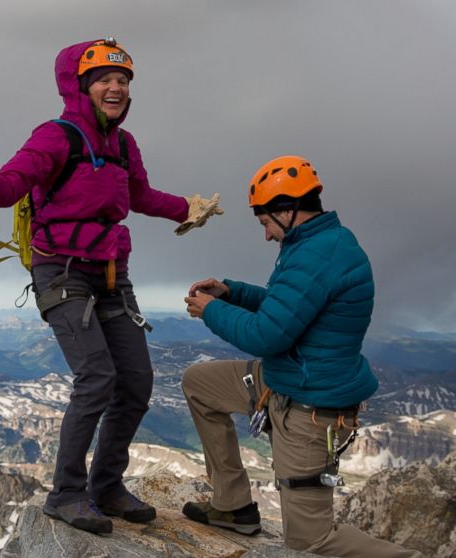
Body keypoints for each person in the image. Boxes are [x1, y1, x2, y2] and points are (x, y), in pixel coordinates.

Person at [0, 39, 221, 535]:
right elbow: (8, 188)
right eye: (104, 80)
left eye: (123, 80)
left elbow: (139, 196)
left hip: (112, 274)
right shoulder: (55, 136)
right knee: (97, 376)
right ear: (80, 86)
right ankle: (67, 494)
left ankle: (107, 486)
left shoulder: (123, 144)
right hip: (63, 272)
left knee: (135, 381)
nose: (116, 87)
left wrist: (188, 208)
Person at [180, 156, 423, 557]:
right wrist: (233, 292)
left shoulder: (316, 255)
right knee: (199, 384)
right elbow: (288, 305)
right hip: (287, 379)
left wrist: (211, 310)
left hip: (311, 407)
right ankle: (232, 506)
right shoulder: (315, 244)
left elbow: (267, 334)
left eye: (265, 223)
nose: (266, 235)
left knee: (311, 542)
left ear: (287, 211)